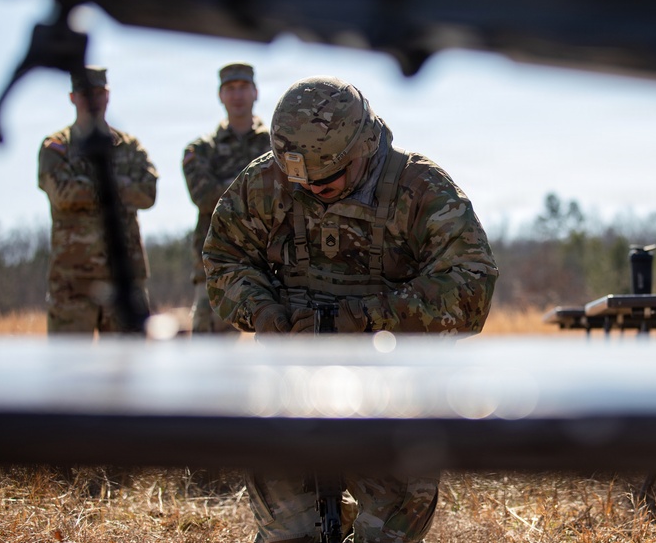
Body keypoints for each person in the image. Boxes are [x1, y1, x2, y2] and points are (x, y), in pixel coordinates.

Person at [203, 75, 498, 543]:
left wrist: (368, 317)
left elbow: (471, 284)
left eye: (325, 180)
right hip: (292, 376)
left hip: (394, 381)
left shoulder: (420, 188)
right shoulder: (267, 180)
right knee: (287, 529)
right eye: (298, 180)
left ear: (362, 149)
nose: (310, 190)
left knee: (390, 526)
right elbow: (224, 257)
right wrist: (263, 313)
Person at [38, 66, 157, 334]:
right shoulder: (55, 147)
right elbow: (63, 194)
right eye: (85, 93)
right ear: (72, 97)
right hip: (73, 280)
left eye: (99, 92)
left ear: (108, 95)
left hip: (126, 280)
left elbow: (148, 192)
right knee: (67, 370)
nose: (92, 98)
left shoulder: (129, 146)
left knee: (130, 368)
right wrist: (121, 186)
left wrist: (88, 186)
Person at [182, 62, 271, 333]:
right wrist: (259, 187)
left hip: (271, 264)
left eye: (243, 87)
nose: (237, 95)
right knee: (209, 364)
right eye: (230, 88)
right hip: (217, 268)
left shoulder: (276, 143)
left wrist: (229, 186)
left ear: (255, 92)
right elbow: (206, 197)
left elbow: (290, 194)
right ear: (221, 95)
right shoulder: (201, 149)